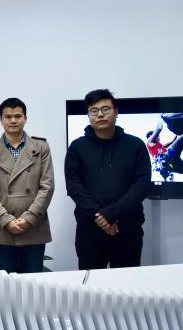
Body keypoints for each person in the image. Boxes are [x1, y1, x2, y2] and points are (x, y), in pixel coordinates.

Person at [65, 89, 151, 269]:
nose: (100, 115)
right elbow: (74, 186)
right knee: (91, 284)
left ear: (116, 112)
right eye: (94, 111)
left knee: (127, 284)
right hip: (90, 232)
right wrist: (100, 216)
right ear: (88, 115)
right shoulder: (77, 147)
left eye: (106, 109)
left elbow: (142, 186)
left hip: (128, 230)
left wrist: (112, 214)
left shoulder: (135, 145)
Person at [0, 98, 54, 273]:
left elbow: (47, 186)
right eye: (8, 117)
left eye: (18, 116)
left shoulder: (41, 147)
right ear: (1, 120)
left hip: (35, 227)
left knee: (33, 283)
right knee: (6, 283)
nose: (13, 120)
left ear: (25, 118)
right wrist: (6, 220)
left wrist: (29, 218)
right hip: (4, 229)